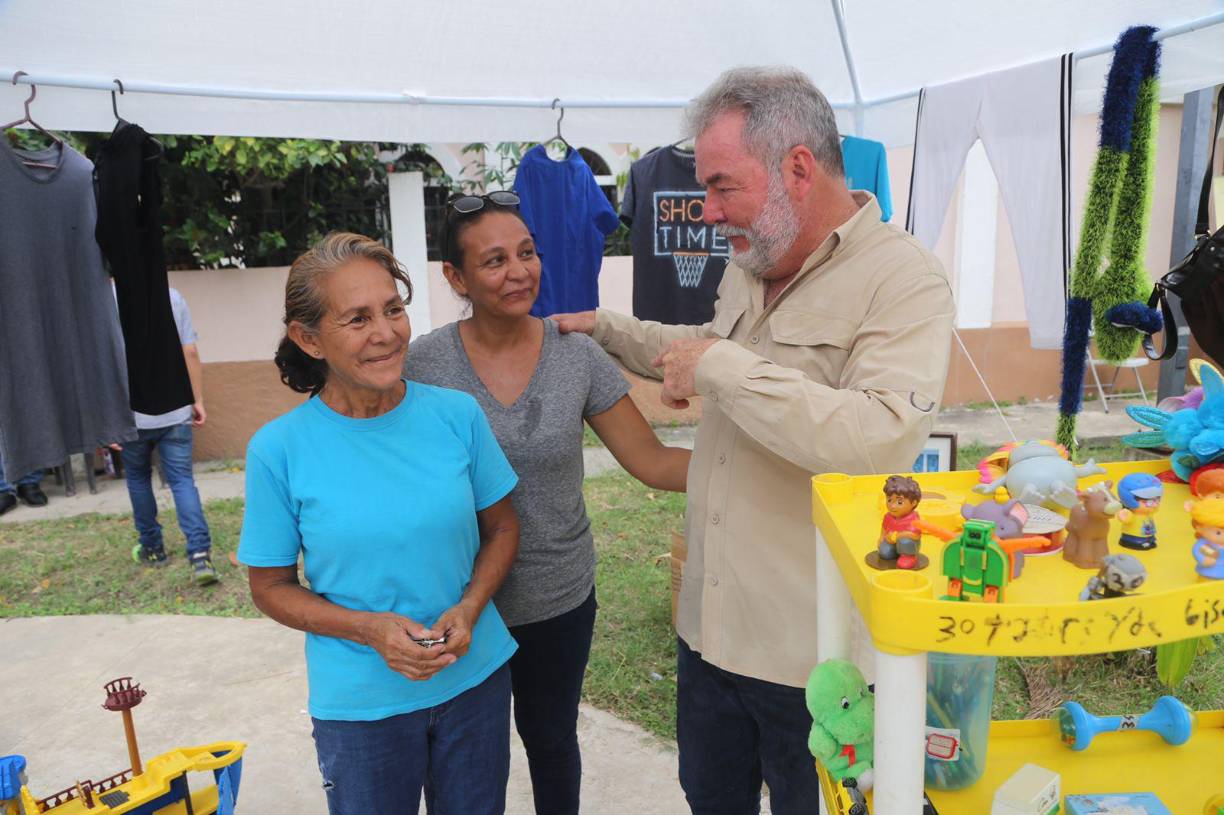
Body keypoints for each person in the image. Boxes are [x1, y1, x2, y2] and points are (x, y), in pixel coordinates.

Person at [553, 67, 956, 814]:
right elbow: (709, 346)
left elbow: (878, 439)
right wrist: (606, 330)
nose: (706, 211)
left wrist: (721, 367)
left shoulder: (904, 279)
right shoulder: (754, 261)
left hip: (816, 661)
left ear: (797, 168)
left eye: (721, 186)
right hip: (710, 636)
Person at [405, 190, 691, 815]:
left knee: (551, 741)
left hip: (556, 596)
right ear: (456, 277)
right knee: (464, 754)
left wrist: (760, 472)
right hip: (458, 602)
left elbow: (652, 460)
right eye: (495, 260)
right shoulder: (422, 364)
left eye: (527, 253)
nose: (519, 272)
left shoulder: (576, 355)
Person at [237, 233, 521, 815]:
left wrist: (469, 609)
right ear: (308, 338)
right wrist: (370, 630)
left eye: (393, 309)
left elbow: (502, 529)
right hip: (361, 706)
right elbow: (269, 587)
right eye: (357, 319)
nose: (386, 333)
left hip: (474, 682)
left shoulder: (455, 415)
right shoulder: (279, 450)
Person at [122, 287, 218, 584]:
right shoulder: (171, 296)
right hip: (175, 408)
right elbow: (189, 350)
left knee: (138, 479)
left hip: (130, 413)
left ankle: (152, 548)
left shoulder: (103, 299)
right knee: (182, 480)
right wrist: (197, 399)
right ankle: (200, 555)